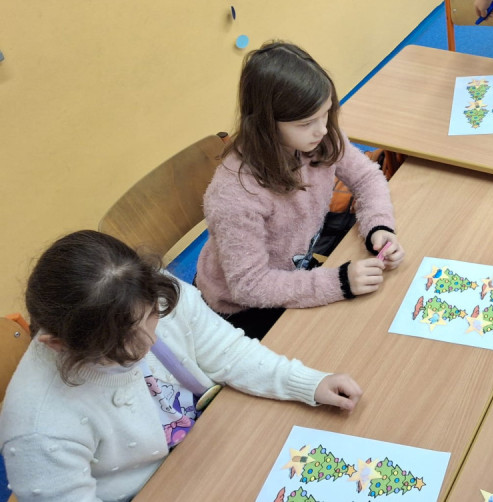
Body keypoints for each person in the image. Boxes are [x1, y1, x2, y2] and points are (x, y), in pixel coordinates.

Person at [0, 231, 363, 502]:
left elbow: (229, 352)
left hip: (212, 441)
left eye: (150, 317)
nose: (147, 343)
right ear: (57, 343)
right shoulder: (38, 429)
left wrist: (307, 382)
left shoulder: (149, 292)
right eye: (119, 342)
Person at [196, 41, 405, 340]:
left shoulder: (319, 138)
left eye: (326, 113)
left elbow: (367, 178)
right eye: (307, 123)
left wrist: (379, 227)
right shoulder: (235, 196)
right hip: (241, 307)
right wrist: (339, 283)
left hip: (296, 265)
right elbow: (249, 286)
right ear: (266, 125)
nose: (323, 129)